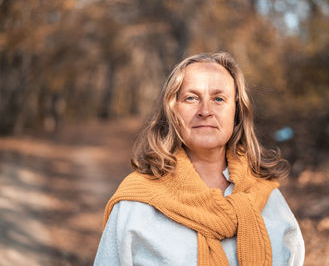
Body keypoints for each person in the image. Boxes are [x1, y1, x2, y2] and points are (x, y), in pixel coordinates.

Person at [94, 52, 305, 266]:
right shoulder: (136, 204)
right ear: (172, 110)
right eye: (191, 98)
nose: (205, 111)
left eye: (219, 99)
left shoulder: (269, 198)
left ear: (237, 112)